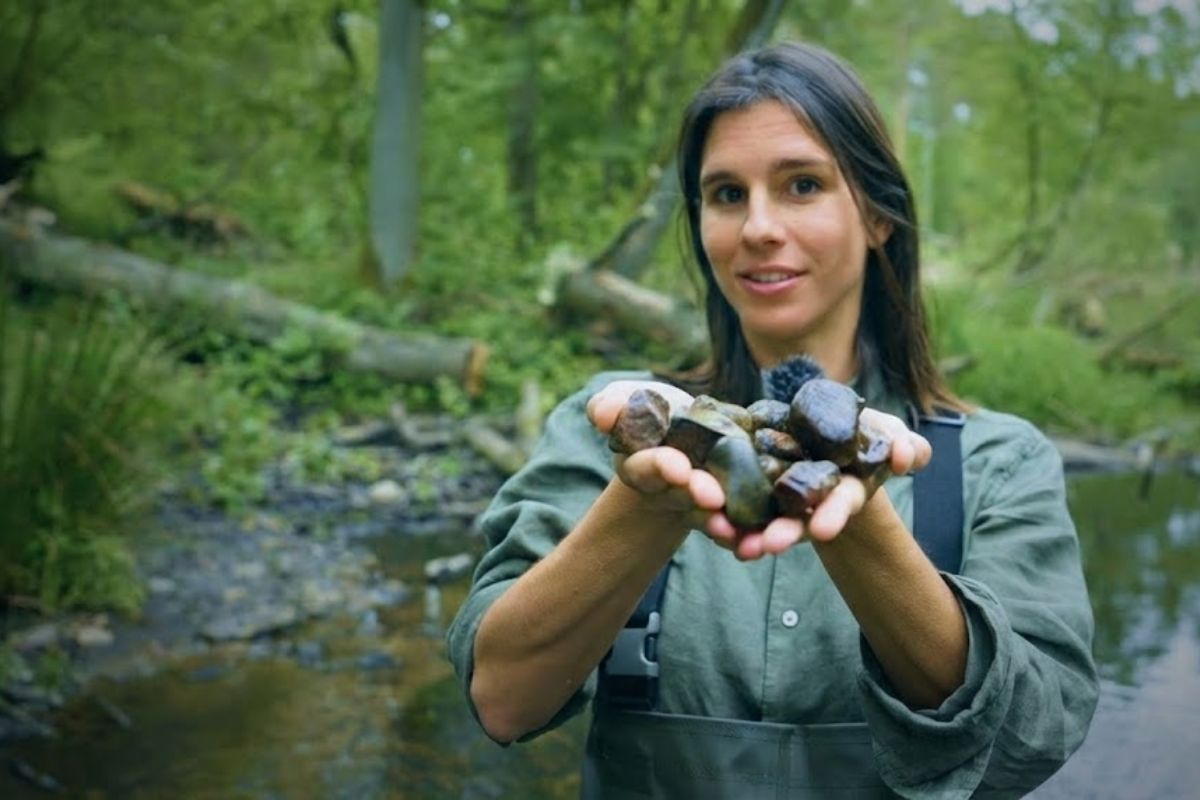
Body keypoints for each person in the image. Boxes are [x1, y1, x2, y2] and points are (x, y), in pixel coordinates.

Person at [448, 41, 1098, 798]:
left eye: (801, 184)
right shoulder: (618, 425)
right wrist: (644, 508)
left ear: (879, 213)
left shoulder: (999, 461)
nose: (757, 226)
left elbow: (1030, 743)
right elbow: (500, 700)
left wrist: (860, 524)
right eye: (726, 194)